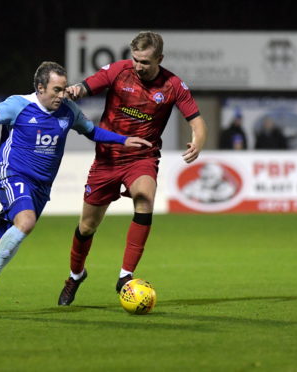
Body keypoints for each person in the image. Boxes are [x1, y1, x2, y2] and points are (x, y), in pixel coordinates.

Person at [0, 61, 151, 313]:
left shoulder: (68, 111)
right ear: (41, 88)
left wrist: (124, 140)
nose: (61, 94)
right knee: (26, 222)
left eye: (64, 89)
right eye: (56, 89)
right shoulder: (18, 105)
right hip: (13, 175)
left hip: (41, 188)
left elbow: (92, 132)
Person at [57, 31, 208, 306]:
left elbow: (197, 121)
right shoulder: (119, 71)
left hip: (142, 158)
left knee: (145, 196)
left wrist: (198, 142)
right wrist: (77, 90)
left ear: (159, 59)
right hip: (107, 159)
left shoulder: (173, 85)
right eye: (136, 59)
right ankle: (75, 276)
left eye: (145, 62)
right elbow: (88, 85)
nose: (138, 66)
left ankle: (126, 276)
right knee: (87, 226)